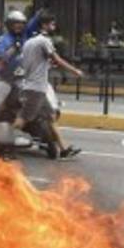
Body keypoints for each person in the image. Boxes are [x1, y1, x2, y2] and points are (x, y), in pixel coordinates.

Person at [14, 13, 83, 159]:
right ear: (44, 25)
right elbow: (57, 59)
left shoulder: (29, 43)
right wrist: (74, 71)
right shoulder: (44, 41)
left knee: (50, 117)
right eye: (52, 24)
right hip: (35, 88)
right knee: (23, 119)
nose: (54, 27)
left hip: (35, 87)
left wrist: (46, 66)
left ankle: (63, 150)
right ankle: (2, 144)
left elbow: (31, 63)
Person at [0, 9, 28, 77]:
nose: (20, 26)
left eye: (22, 23)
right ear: (9, 25)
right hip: (5, 77)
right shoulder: (2, 40)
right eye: (16, 23)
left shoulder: (25, 40)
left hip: (22, 77)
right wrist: (13, 48)